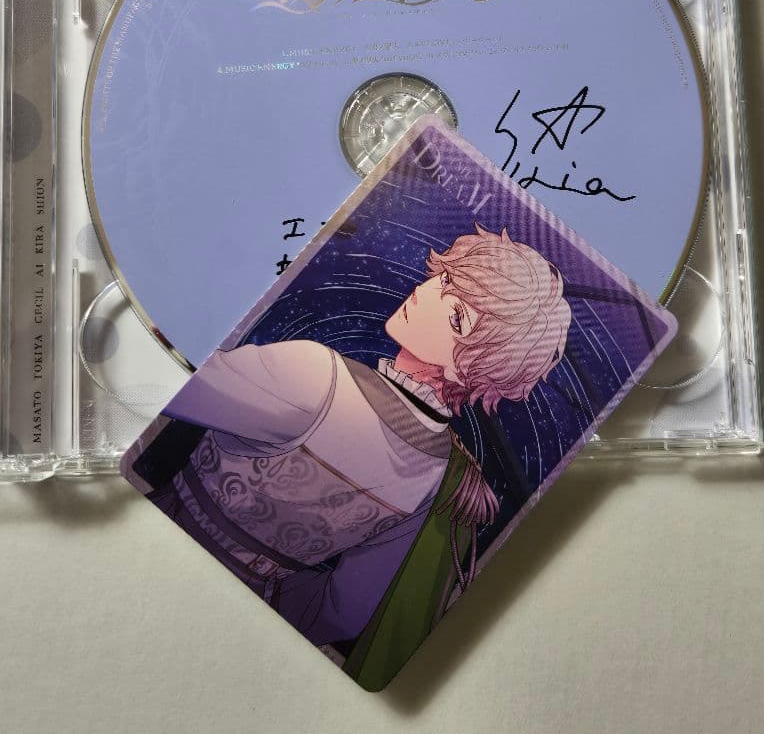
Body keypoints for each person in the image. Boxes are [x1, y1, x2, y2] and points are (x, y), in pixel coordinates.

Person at [129, 224, 570, 688]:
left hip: (146, 541)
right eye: (444, 278)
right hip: (238, 629)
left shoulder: (317, 376)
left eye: (456, 314)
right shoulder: (436, 474)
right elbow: (343, 613)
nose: (428, 291)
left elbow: (159, 383)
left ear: (471, 369)